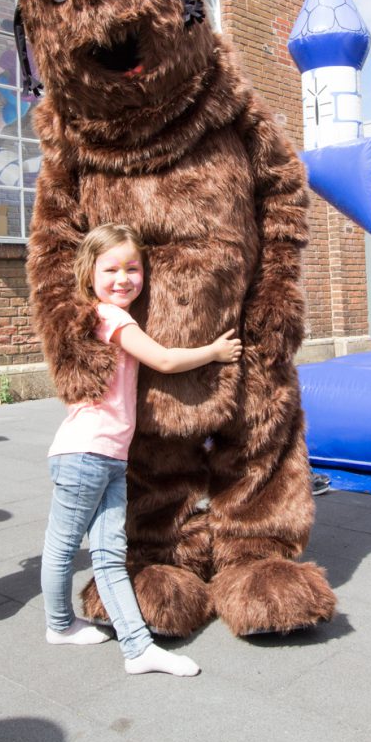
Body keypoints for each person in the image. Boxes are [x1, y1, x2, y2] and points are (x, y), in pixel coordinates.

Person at [40, 223, 242, 676]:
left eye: (133, 268)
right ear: (89, 272)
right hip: (85, 454)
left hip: (107, 456)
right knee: (63, 547)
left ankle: (137, 649)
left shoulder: (100, 316)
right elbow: (165, 360)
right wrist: (213, 351)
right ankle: (60, 625)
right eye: (111, 269)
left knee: (108, 555)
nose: (123, 278)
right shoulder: (111, 317)